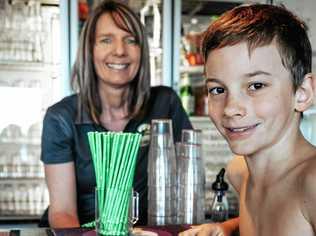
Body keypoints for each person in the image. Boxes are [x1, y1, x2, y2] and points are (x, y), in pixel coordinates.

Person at [40, 0, 192, 228]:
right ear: (89, 50)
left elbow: (187, 187)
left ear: (142, 51)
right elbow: (62, 212)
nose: (120, 51)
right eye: (106, 40)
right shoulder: (61, 118)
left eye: (130, 40)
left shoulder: (165, 104)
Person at [180, 3, 316, 236]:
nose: (231, 108)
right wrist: (226, 227)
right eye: (217, 89)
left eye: (256, 86)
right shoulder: (240, 172)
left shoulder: (311, 183)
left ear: (302, 94)